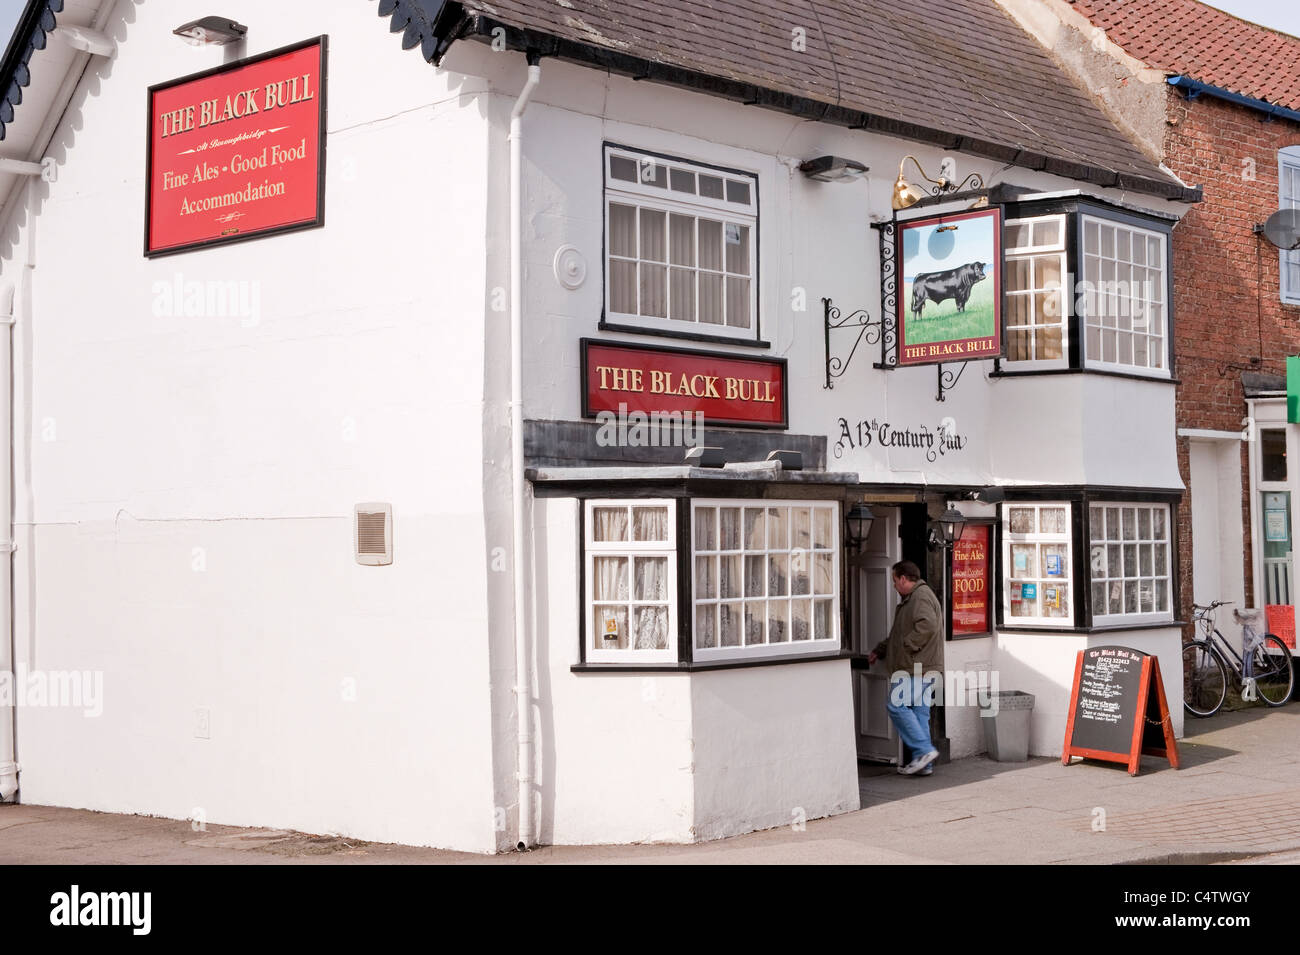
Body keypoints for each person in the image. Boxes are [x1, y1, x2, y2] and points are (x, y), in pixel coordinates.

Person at [869, 560, 943, 776]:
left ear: (903, 578)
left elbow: (927, 625)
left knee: (896, 705)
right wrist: (882, 649)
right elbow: (899, 633)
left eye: (894, 580)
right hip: (924, 666)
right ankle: (925, 763)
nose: (893, 586)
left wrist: (908, 646)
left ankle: (924, 750)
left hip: (916, 667)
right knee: (920, 713)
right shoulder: (914, 598)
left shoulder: (920, 596)